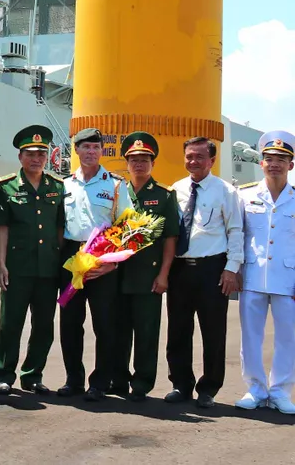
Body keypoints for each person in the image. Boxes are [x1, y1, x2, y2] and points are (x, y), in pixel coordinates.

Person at [165, 137, 242, 409]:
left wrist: (231, 269)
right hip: (180, 270)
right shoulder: (176, 189)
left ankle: (208, 389)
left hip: (212, 270)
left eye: (199, 156)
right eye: (189, 156)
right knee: (178, 330)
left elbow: (235, 231)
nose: (193, 161)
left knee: (213, 332)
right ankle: (180, 384)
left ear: (211, 160)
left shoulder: (226, 191)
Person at [0, 125, 65, 396]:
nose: (36, 159)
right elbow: (2, 227)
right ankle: (4, 374)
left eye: (41, 154)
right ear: (20, 157)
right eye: (31, 154)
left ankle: (33, 374)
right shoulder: (6, 186)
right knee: (11, 323)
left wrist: (59, 260)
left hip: (48, 268)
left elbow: (59, 228)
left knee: (44, 326)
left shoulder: (57, 187)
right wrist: (1, 263)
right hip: (17, 268)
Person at [58, 128, 131, 401]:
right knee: (70, 322)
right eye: (85, 147)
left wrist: (113, 264)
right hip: (71, 258)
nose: (90, 152)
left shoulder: (114, 184)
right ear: (76, 150)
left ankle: (100, 382)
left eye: (96, 147)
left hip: (103, 260)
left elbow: (127, 226)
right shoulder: (65, 185)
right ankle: (73, 379)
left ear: (102, 151)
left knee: (104, 324)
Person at [109, 132, 179, 402]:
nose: (139, 164)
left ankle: (142, 382)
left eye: (144, 159)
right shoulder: (116, 193)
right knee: (118, 330)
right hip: (117, 274)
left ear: (153, 163)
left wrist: (164, 274)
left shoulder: (164, 195)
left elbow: (170, 238)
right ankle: (118, 379)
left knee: (146, 331)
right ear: (126, 163)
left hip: (148, 275)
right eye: (134, 159)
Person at [235, 131, 295, 414]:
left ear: (291, 165)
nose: (275, 164)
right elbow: (236, 236)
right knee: (250, 337)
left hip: (289, 279)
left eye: (281, 159)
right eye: (269, 159)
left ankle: (281, 391)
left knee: (288, 338)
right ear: (261, 163)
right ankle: (256, 389)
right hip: (253, 276)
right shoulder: (244, 195)